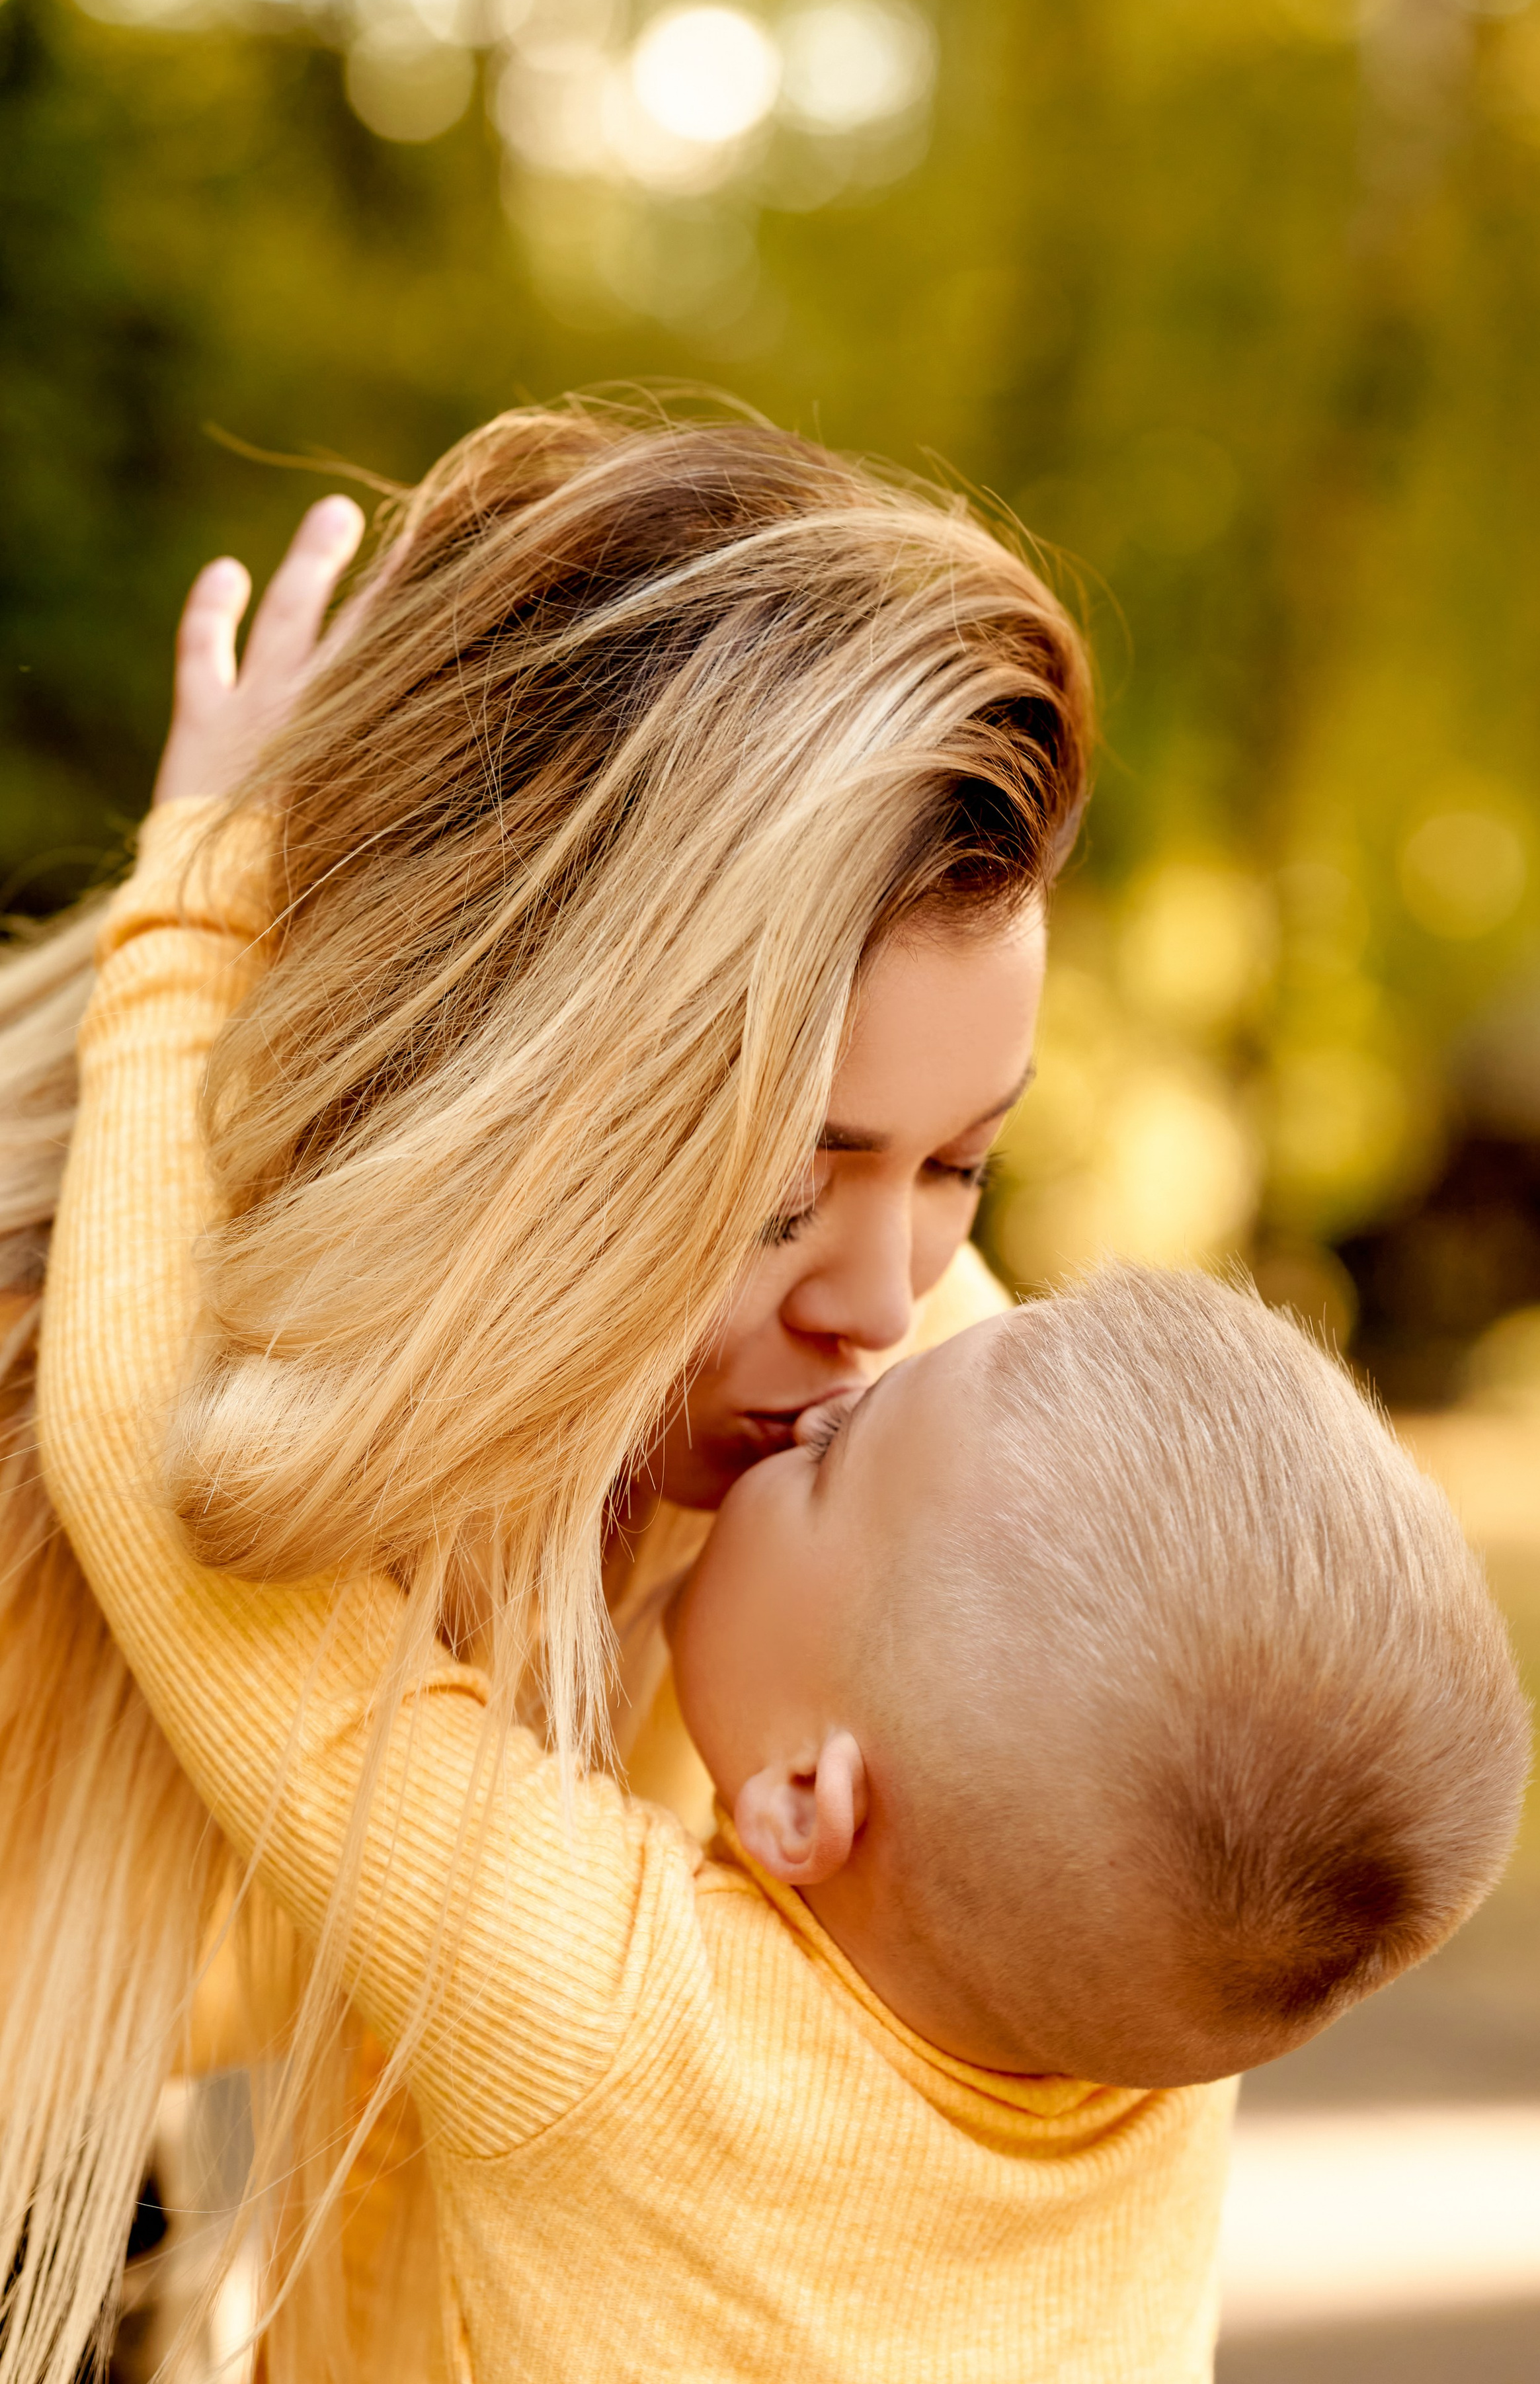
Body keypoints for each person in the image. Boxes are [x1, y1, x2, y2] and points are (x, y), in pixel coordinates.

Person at [37, 790, 1527, 2379]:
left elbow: (157, 1473)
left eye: (829, 1451)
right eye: (787, 1196)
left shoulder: (613, 2013)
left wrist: (210, 885)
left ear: (807, 1796)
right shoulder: (1147, 2031)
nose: (879, 1326)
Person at [0, 403, 1090, 2382]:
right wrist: (216, 889)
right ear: (494, 1118)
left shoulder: (912, 1464)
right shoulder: (55, 1408)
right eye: (778, 1193)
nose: (884, 1304)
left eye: (960, 1164)